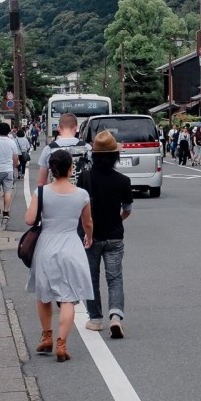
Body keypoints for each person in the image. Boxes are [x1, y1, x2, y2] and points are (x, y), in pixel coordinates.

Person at [23, 147, 93, 363]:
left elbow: (28, 219)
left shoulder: (41, 192)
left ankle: (47, 336)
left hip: (46, 246)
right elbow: (87, 223)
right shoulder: (81, 194)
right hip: (71, 245)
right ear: (71, 169)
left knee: (44, 294)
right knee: (69, 298)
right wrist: (89, 237)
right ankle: (62, 343)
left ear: (52, 169)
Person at [79, 130, 132, 339]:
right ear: (115, 156)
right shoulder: (123, 180)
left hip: (90, 236)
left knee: (91, 278)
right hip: (115, 236)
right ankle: (116, 316)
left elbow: (80, 206)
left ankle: (95, 319)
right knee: (115, 278)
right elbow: (127, 209)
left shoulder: (85, 178)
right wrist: (118, 218)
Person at [0, 122, 21, 227]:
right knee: (7, 191)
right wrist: (14, 166)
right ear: (9, 131)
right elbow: (15, 157)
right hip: (8, 170)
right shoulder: (12, 142)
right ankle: (6, 212)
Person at [37, 113, 83, 186]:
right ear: (76, 127)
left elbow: (41, 182)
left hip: (55, 194)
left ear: (58, 128)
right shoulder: (87, 148)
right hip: (81, 195)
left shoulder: (49, 149)